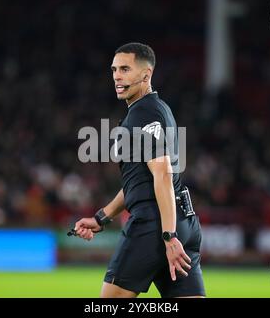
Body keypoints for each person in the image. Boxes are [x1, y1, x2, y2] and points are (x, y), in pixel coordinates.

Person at [74, 42, 206, 298]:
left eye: (125, 69)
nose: (117, 76)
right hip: (182, 221)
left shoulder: (144, 112)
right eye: (114, 70)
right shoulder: (157, 109)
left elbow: (163, 174)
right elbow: (140, 182)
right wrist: (102, 217)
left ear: (146, 75)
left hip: (154, 226)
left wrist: (168, 236)